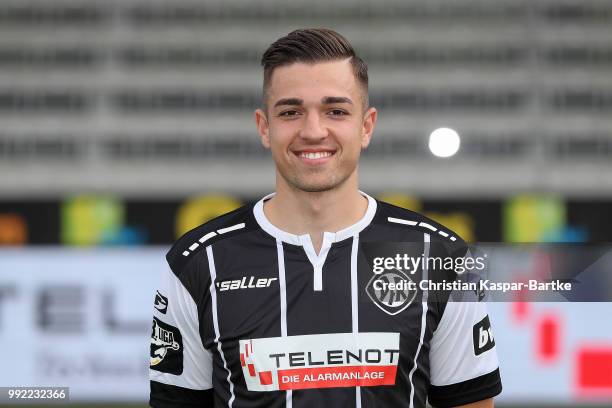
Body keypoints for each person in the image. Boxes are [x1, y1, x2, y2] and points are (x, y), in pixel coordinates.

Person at [149, 28, 502, 408]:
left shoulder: (440, 257)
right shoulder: (197, 262)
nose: (313, 131)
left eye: (336, 111)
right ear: (264, 127)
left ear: (366, 126)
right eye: (290, 112)